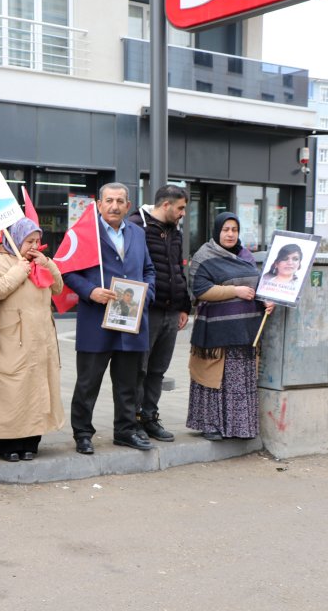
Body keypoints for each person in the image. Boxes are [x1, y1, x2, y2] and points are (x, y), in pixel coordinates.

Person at [63, 183, 156, 454]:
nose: (114, 206)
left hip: (131, 321)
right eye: (109, 200)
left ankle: (125, 430)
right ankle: (82, 433)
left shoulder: (138, 234)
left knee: (128, 383)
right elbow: (67, 271)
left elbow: (149, 269)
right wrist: (90, 291)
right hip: (96, 320)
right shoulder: (84, 234)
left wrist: (146, 294)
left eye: (120, 201)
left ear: (128, 206)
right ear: (99, 204)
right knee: (87, 383)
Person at [0, 218, 65, 461]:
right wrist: (19, 270)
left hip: (41, 337)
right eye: (29, 241)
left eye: (38, 241)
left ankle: (31, 441)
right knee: (11, 389)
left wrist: (48, 264)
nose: (35, 246)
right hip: (12, 338)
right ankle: (6, 444)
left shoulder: (40, 261)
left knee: (38, 387)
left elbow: (58, 288)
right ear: (15, 239)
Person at [186, 212, 274, 440]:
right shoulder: (204, 256)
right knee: (213, 379)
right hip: (216, 333)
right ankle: (211, 425)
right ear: (217, 231)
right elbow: (200, 289)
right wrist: (235, 291)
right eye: (225, 229)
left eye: (234, 229)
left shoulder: (246, 256)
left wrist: (265, 300)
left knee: (237, 381)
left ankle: (238, 428)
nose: (230, 234)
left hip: (245, 332)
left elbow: (257, 286)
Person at [127, 184, 190, 443]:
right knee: (138, 369)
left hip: (171, 310)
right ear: (166, 205)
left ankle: (150, 418)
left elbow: (177, 268)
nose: (183, 213)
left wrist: (185, 305)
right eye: (181, 208)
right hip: (146, 311)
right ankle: (132, 421)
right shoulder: (136, 226)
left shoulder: (175, 231)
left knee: (158, 370)